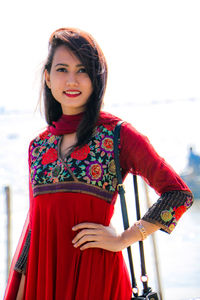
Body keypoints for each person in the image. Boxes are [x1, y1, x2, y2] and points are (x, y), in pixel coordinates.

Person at [4, 28, 193, 300]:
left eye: (82, 70)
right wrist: (20, 289)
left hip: (97, 276)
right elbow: (36, 224)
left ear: (96, 78)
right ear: (47, 77)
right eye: (62, 69)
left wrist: (123, 239)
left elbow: (178, 194)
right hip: (43, 279)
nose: (72, 80)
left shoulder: (118, 135)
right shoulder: (38, 146)